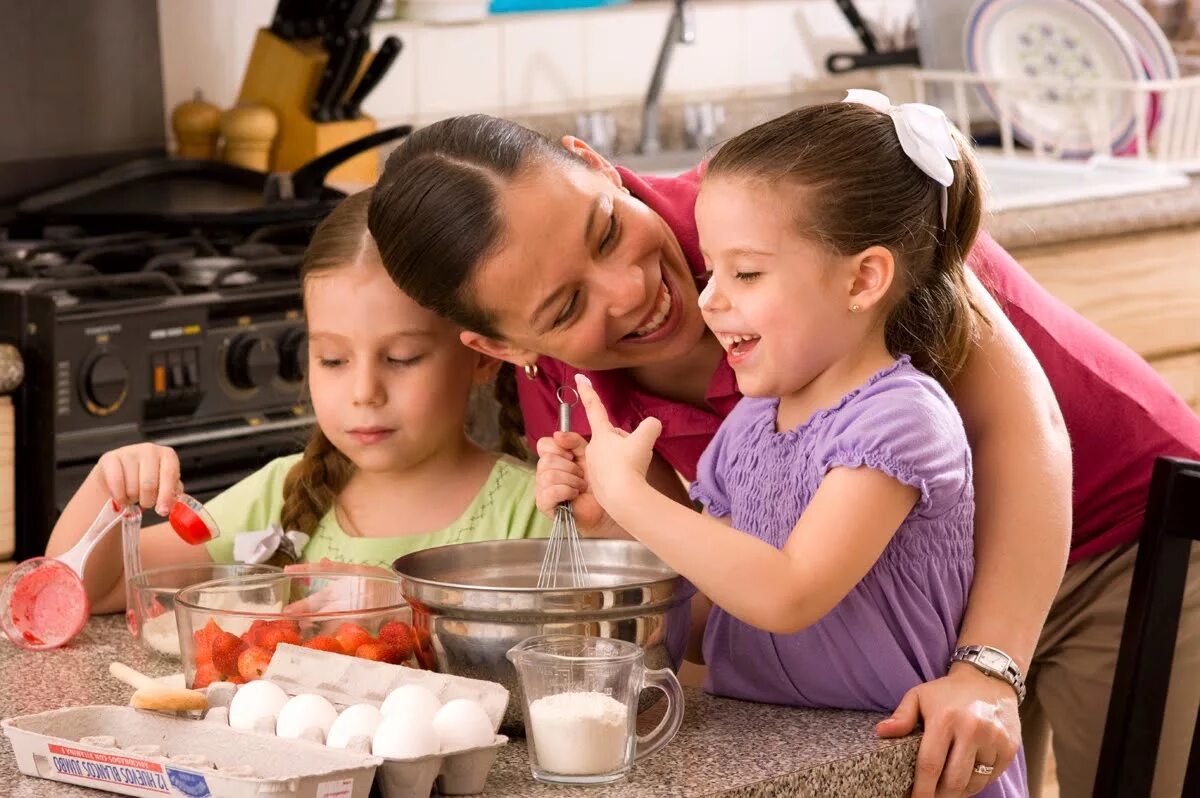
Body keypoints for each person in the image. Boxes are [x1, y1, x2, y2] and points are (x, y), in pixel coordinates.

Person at [366, 108, 1200, 798]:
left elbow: (1020, 434)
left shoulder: (799, 201)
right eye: (565, 305)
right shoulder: (569, 395)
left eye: (607, 228)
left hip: (1116, 538)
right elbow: (713, 569)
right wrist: (615, 513)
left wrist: (989, 666)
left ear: (597, 162)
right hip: (905, 614)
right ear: (503, 347)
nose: (630, 288)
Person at [538, 93, 1025, 798]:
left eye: (746, 274)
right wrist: (610, 525)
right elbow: (714, 622)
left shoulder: (899, 421)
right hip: (789, 762)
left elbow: (788, 594)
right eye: (711, 270)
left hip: (908, 774)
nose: (709, 300)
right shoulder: (749, 426)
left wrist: (633, 497)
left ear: (863, 279)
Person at [45, 190, 549, 612]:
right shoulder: (278, 496)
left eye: (401, 357)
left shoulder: (535, 513)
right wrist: (106, 489)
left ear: (482, 355)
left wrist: (394, 603)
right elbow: (87, 592)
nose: (363, 392)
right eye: (332, 360)